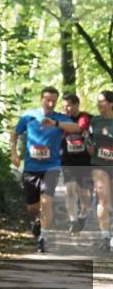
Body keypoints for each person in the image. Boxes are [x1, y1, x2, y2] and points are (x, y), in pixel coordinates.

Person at [10, 87, 80, 253]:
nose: (50, 103)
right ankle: (38, 221)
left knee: (47, 201)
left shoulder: (60, 118)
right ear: (41, 99)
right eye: (47, 100)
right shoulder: (29, 116)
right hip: (31, 167)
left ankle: (43, 238)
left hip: (52, 167)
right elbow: (14, 133)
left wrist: (56, 123)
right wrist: (13, 152)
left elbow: (76, 128)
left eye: (54, 101)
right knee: (32, 208)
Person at [60, 93, 93, 234]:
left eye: (68, 106)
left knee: (84, 193)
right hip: (67, 159)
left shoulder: (88, 118)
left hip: (85, 160)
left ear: (76, 105)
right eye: (64, 106)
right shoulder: (60, 119)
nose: (66, 109)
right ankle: (73, 220)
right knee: (70, 190)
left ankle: (82, 216)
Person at [88, 91, 113, 252]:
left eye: (102, 101)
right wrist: (89, 145)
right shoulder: (94, 121)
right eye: (97, 102)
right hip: (99, 164)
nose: (99, 105)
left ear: (111, 103)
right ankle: (105, 236)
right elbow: (89, 138)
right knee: (103, 199)